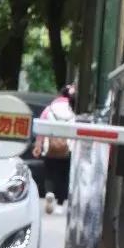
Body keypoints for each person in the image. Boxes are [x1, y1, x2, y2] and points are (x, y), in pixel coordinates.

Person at [33, 83, 76, 212]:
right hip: (68, 148)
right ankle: (61, 203)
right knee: (64, 175)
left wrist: (38, 146)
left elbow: (41, 128)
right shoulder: (73, 109)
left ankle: (49, 193)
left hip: (50, 147)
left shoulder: (49, 109)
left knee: (50, 173)